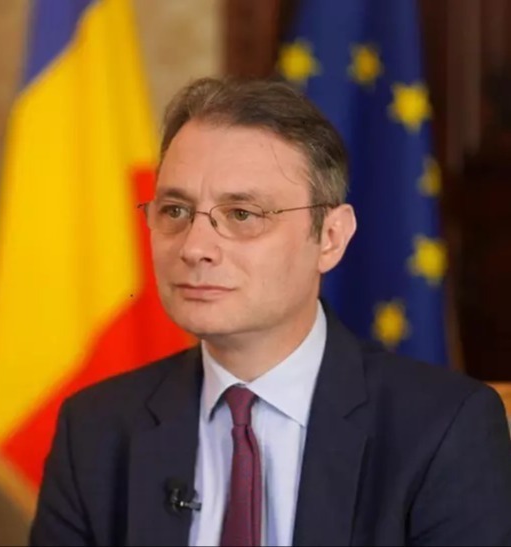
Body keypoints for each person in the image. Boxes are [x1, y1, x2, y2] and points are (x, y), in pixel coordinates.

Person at [30, 77, 511, 547]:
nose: (195, 248)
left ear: (330, 238)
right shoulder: (95, 429)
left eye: (242, 214)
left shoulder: (444, 429)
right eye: (175, 210)